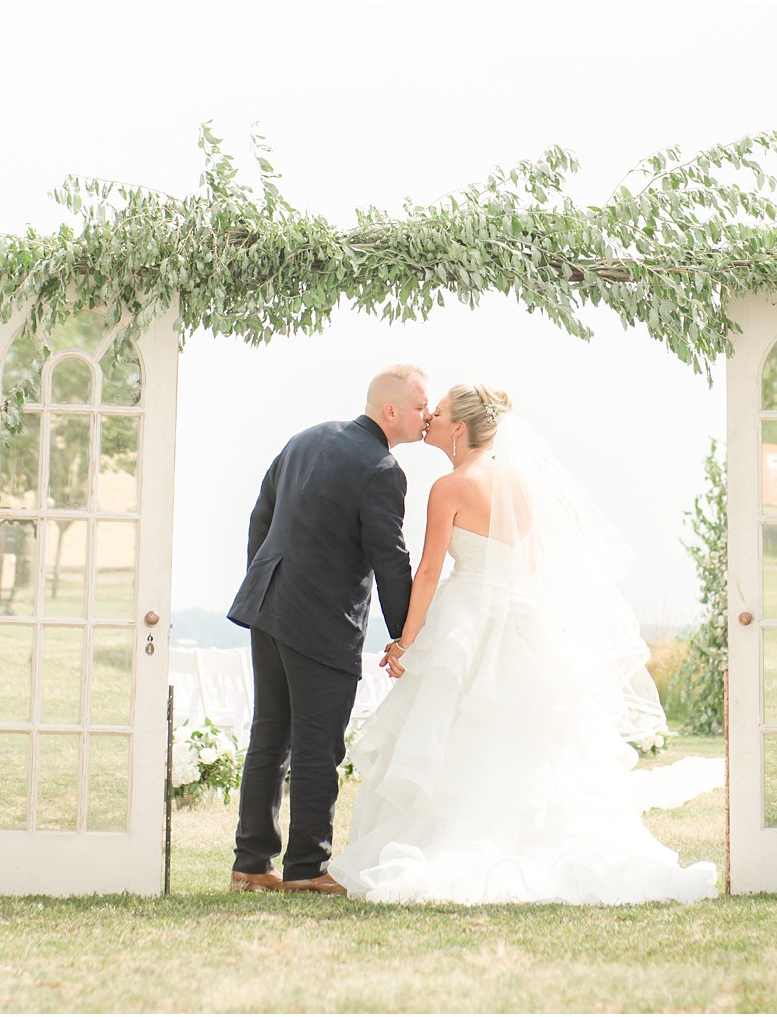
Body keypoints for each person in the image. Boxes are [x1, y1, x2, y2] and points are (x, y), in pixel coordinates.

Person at [327, 384, 722, 904]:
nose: (431, 421)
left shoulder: (448, 487)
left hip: (465, 615)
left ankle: (439, 842)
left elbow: (426, 572)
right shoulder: (521, 484)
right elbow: (531, 564)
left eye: (438, 414)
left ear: (460, 428)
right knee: (533, 737)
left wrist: (405, 641)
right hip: (522, 617)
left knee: (452, 726)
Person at [226, 365, 431, 894]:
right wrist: (407, 636)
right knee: (318, 744)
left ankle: (250, 864)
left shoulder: (307, 437)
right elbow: (390, 558)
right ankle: (306, 869)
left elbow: (260, 517)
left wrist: (263, 584)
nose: (426, 415)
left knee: (270, 733)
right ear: (391, 411)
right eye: (419, 407)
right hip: (319, 619)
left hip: (266, 605)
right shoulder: (383, 468)